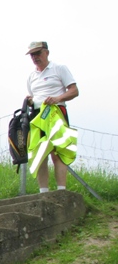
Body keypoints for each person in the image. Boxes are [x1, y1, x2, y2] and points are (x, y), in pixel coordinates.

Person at [25, 41, 79, 192]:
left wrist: (57, 98)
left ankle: (61, 190)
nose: (35, 57)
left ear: (46, 52)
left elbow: (74, 90)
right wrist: (29, 101)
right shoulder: (31, 76)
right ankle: (44, 192)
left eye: (38, 53)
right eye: (32, 55)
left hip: (57, 112)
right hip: (38, 115)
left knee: (59, 150)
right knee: (40, 151)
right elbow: (33, 96)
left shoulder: (59, 68)